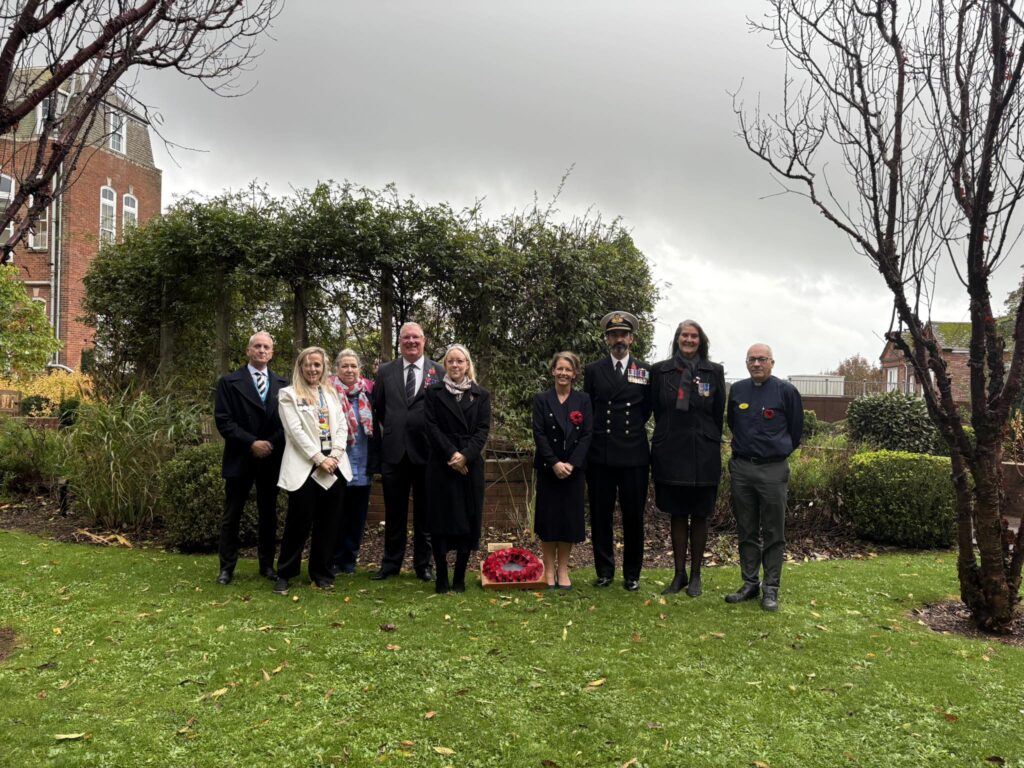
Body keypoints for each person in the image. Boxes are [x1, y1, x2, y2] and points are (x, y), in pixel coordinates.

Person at [725, 343, 804, 612]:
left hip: (772, 470)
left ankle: (771, 588)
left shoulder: (786, 391)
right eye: (752, 360)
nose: (756, 364)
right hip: (742, 468)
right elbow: (733, 424)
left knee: (773, 531)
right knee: (746, 528)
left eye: (762, 359)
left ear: (772, 362)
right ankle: (749, 583)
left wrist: (775, 452)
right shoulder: (737, 391)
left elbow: (795, 431)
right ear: (746, 363)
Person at [650, 320, 725, 597]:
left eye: (694, 336)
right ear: (677, 339)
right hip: (671, 450)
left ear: (701, 340)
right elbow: (658, 409)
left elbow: (718, 413)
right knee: (677, 513)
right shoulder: (661, 371)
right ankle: (678, 574)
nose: (689, 340)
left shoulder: (713, 372)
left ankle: (696, 576)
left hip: (703, 452)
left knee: (700, 514)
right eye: (685, 335)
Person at [273, 347, 352, 595]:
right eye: (308, 364)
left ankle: (322, 573)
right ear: (300, 367)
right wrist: (319, 458)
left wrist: (335, 455)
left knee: (329, 524)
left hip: (334, 466)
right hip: (305, 467)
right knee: (298, 523)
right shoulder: (287, 395)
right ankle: (285, 573)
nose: (313, 369)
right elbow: (295, 432)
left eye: (317, 365)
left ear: (323, 367)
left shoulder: (331, 394)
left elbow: (342, 427)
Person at [584, 311, 653, 592]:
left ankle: (632, 574)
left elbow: (646, 409)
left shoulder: (645, 370)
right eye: (613, 335)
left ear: (632, 339)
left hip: (634, 454)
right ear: (607, 340)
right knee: (601, 515)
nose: (618, 340)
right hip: (601, 453)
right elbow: (589, 408)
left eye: (623, 335)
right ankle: (604, 570)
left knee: (633, 516)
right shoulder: (593, 370)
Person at [214, 331, 287, 586]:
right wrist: (251, 443)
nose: (262, 350)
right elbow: (223, 421)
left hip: (271, 457)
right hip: (240, 456)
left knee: (268, 515)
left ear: (272, 353)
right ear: (248, 351)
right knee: (232, 515)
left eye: (267, 347)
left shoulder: (283, 385)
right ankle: (226, 568)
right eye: (257, 346)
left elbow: (288, 423)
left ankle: (267, 565)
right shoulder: (229, 382)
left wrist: (269, 444)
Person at [371, 322, 442, 581]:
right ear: (399, 342)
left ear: (424, 341)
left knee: (426, 514)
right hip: (394, 452)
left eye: (416, 337)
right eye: (406, 338)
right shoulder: (386, 371)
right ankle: (390, 564)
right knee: (394, 513)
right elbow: (378, 407)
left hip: (426, 454)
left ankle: (424, 566)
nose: (411, 341)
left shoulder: (439, 371)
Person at [423, 344, 491, 593]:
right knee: (440, 522)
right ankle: (441, 577)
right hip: (441, 465)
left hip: (470, 466)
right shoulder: (433, 392)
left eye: (459, 361)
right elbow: (430, 426)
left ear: (467, 364)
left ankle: (460, 577)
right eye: (450, 361)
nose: (455, 365)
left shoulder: (480, 395)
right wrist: (452, 455)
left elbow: (483, 430)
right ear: (445, 364)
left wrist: (465, 457)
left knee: (468, 522)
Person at [532, 351, 592, 590]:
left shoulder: (583, 400)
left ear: (575, 373)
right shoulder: (541, 399)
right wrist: (555, 463)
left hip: (573, 471)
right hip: (549, 469)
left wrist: (572, 464)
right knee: (548, 521)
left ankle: (563, 570)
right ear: (553, 371)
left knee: (567, 521)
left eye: (568, 369)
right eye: (560, 369)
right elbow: (539, 433)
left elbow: (587, 434)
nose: (563, 373)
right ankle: (548, 570)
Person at [328, 348, 377, 575]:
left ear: (360, 370)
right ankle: (333, 559)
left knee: (356, 517)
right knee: (335, 514)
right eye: (345, 366)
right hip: (336, 464)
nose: (349, 370)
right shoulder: (327, 392)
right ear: (337, 369)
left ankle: (349, 561)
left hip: (363, 463)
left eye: (354, 366)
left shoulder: (369, 394)